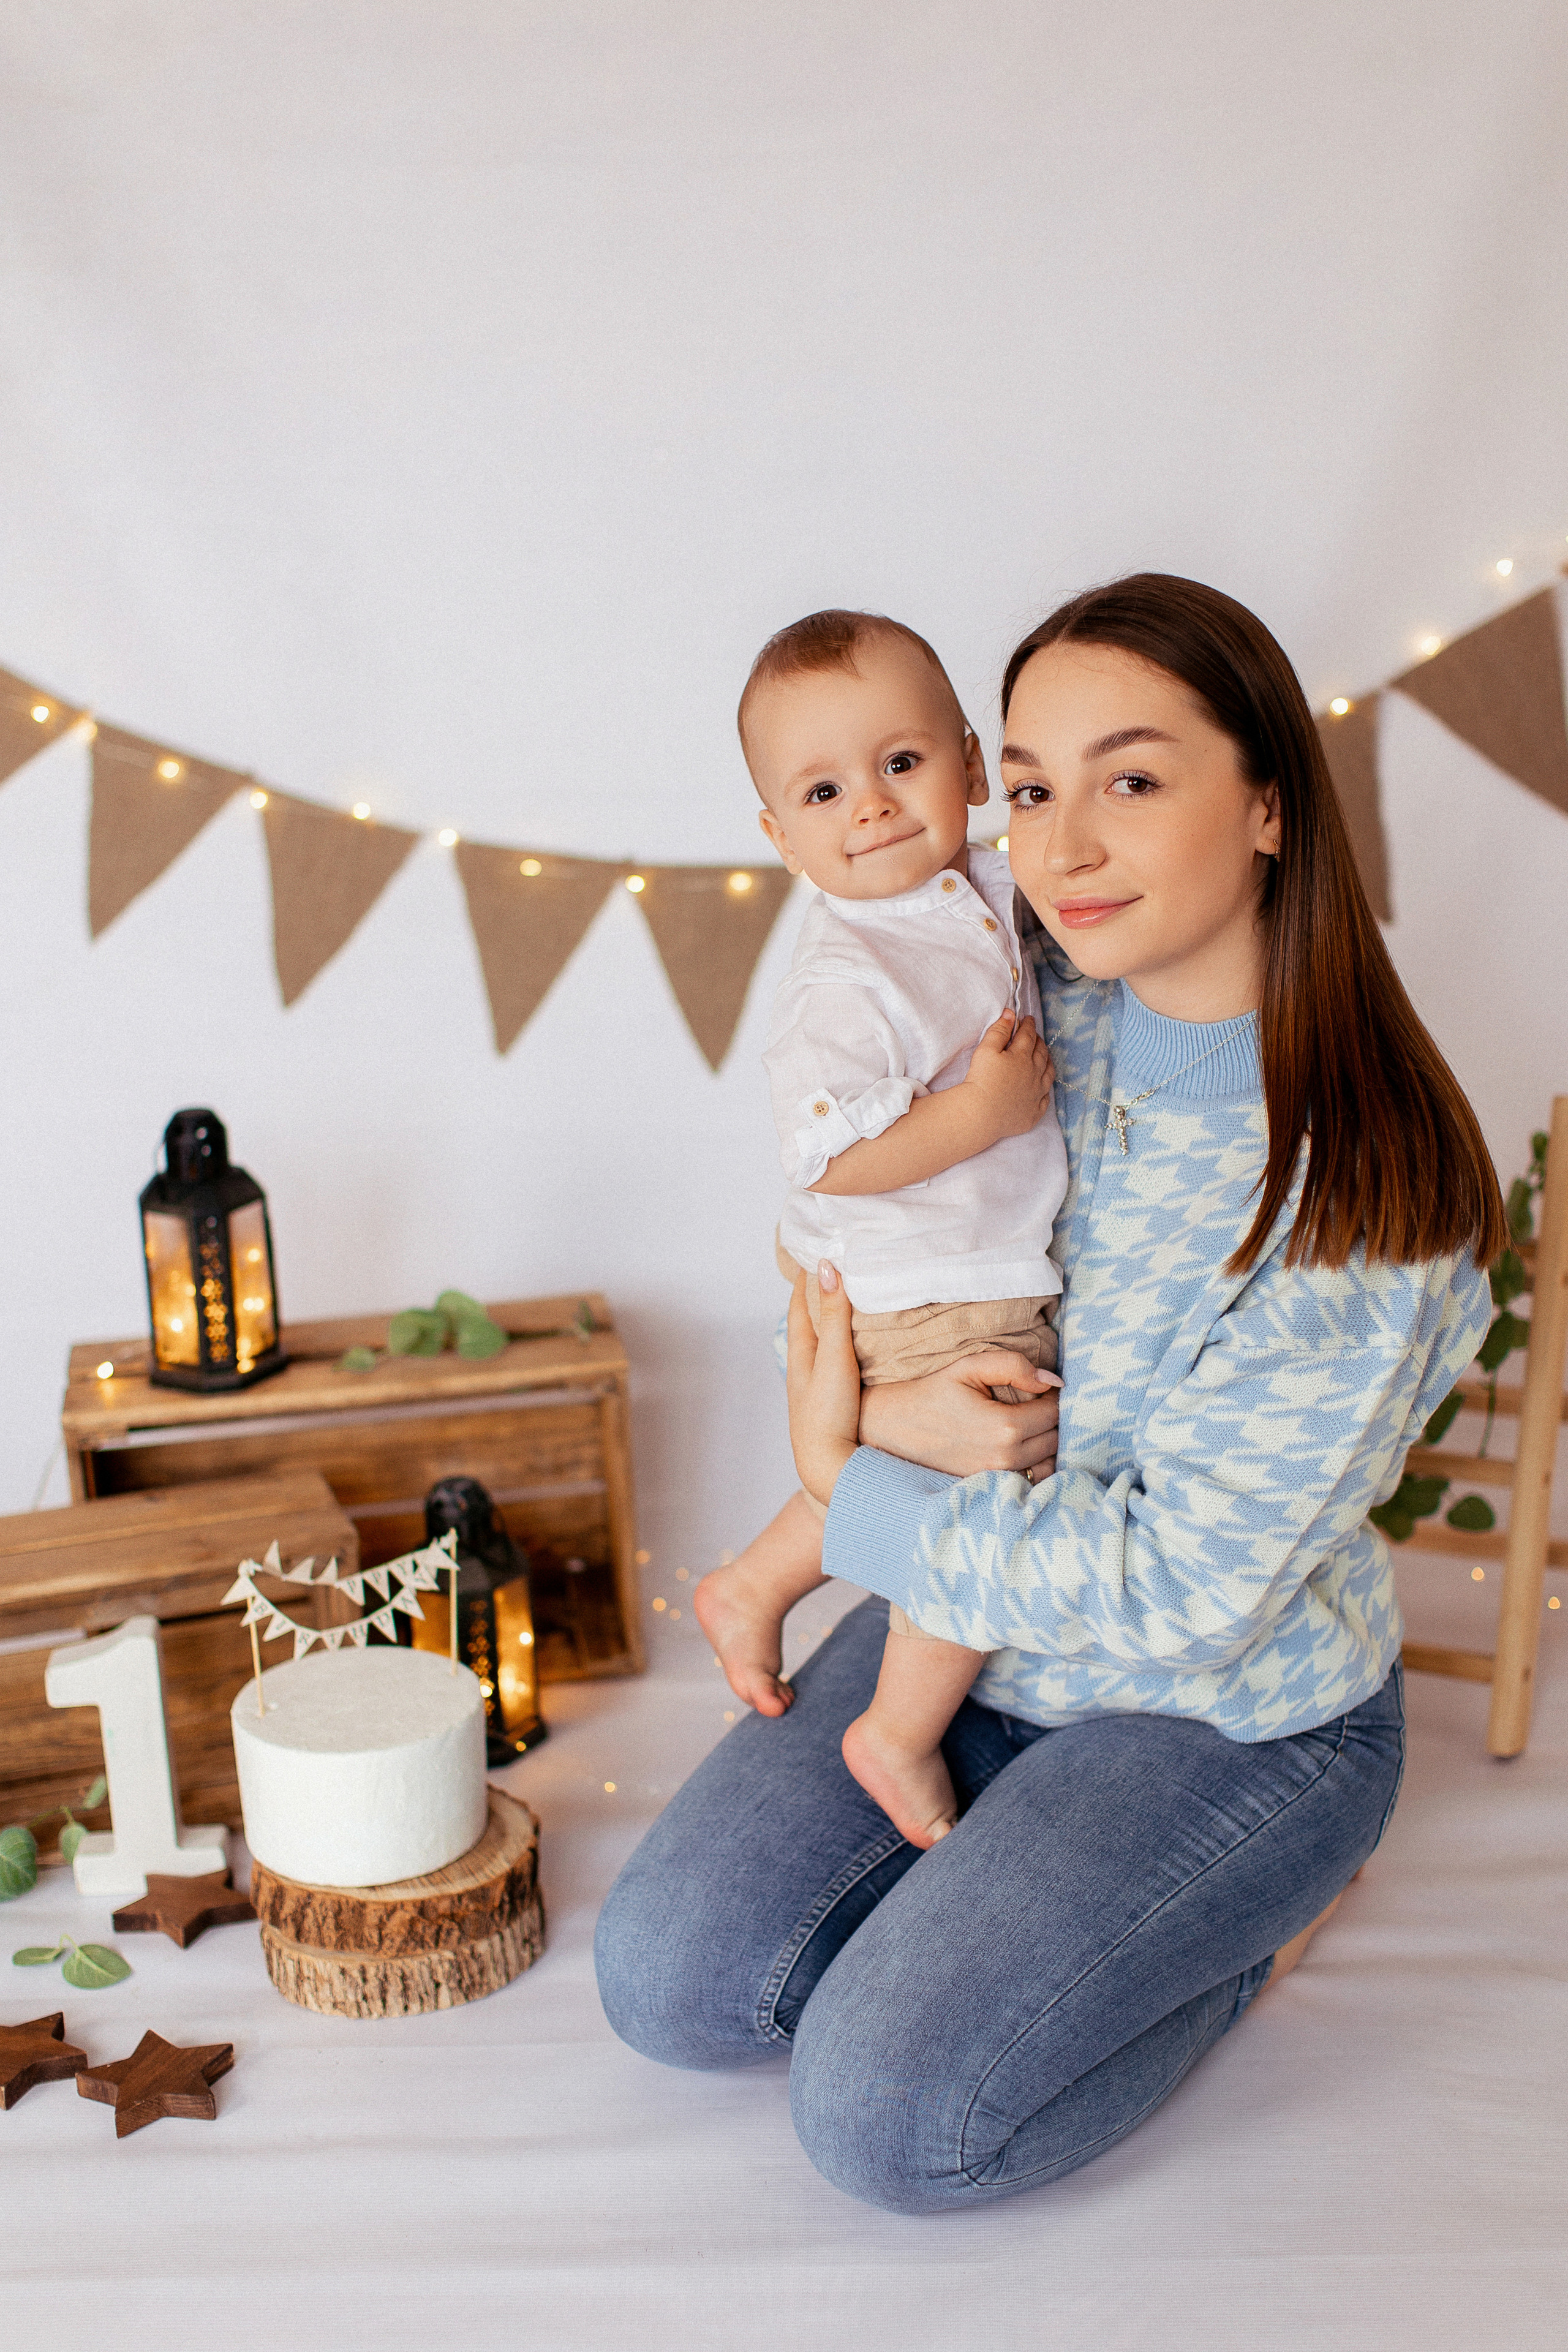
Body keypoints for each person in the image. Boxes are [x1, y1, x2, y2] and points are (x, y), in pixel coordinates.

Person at [596, 574, 1502, 2215]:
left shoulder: (1375, 1198)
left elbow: (1185, 1588)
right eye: (1024, 788)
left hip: (1217, 1703)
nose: (1060, 845)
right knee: (667, 1983)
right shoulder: (1029, 1017)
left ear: (1272, 806)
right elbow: (847, 1244)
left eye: (1133, 781)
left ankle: (1251, 1924)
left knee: (886, 2120)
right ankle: (997, 1899)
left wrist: (841, 1485)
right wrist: (876, 1428)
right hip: (982, 1611)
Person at [695, 609, 1066, 1847]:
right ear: (778, 835)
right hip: (917, 1279)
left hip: (937, 1265)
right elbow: (833, 1156)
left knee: (911, 1458)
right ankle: (895, 1730)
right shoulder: (843, 978)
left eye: (899, 763)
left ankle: (753, 1581)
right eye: (820, 789)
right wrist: (981, 1112)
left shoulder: (972, 880)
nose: (869, 805)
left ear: (966, 762)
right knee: (978, 1486)